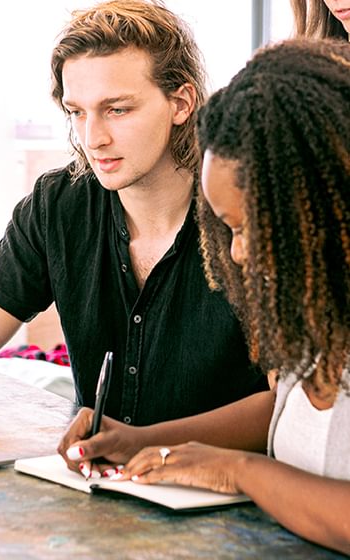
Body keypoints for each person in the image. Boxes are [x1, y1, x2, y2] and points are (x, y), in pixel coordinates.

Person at [111, 39, 350, 554]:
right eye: (228, 229)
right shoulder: (317, 315)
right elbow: (290, 413)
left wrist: (241, 471)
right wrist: (145, 438)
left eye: (252, 228)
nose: (238, 254)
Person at [0, 1, 267, 426]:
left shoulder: (249, 212)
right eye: (77, 112)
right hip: (96, 484)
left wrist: (143, 446)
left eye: (117, 109)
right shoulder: (58, 205)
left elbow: (289, 407)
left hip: (231, 486)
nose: (92, 138)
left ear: (181, 103)